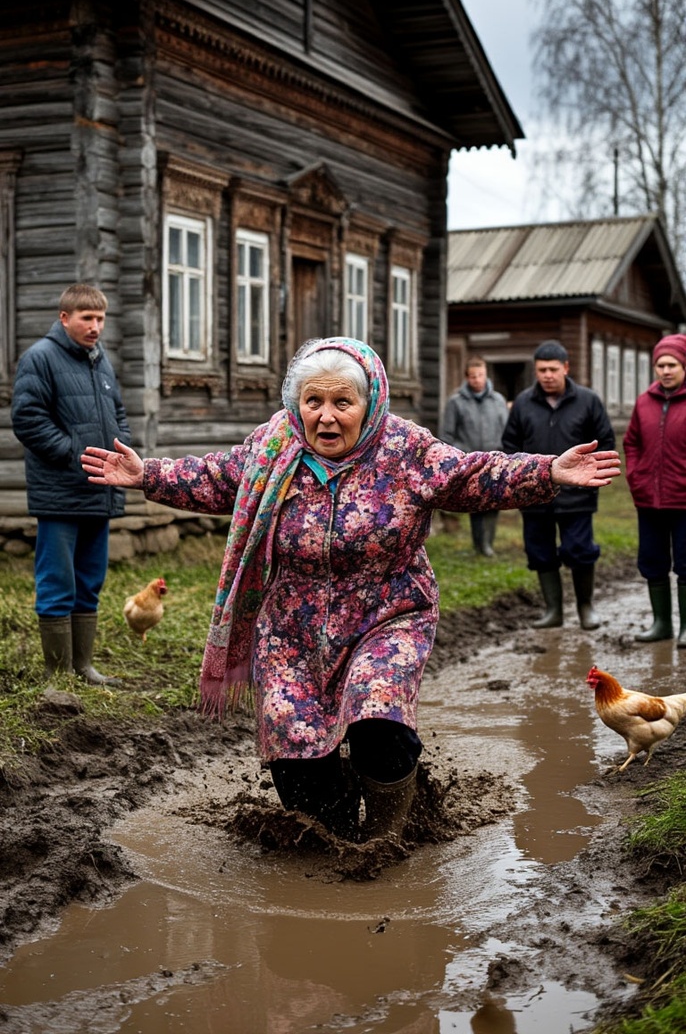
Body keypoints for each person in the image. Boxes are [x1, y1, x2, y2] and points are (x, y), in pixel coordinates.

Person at [81, 337, 620, 843]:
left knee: (377, 720)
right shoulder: (274, 445)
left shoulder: (403, 448)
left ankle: (386, 837)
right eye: (313, 401)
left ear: (369, 403)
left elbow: (470, 475)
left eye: (342, 401)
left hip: (387, 612)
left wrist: (548, 471)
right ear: (297, 403)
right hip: (291, 627)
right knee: (295, 752)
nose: (326, 415)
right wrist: (148, 475)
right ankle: (333, 837)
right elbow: (217, 478)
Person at [11, 283, 130, 684]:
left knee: (90, 580)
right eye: (86, 318)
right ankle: (57, 672)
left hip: (99, 488)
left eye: (100, 318)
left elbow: (118, 413)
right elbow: (28, 419)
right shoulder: (40, 358)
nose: (95, 326)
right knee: (57, 581)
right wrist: (75, 453)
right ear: (64, 318)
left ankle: (83, 667)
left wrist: (120, 447)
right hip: (60, 493)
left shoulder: (101, 360)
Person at [502, 339, 615, 631]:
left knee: (580, 550)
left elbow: (605, 440)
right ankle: (553, 610)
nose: (548, 375)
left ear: (566, 367)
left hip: (577, 495)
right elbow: (510, 445)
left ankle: (585, 607)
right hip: (534, 495)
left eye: (553, 369)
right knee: (540, 552)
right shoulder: (523, 403)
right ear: (535, 370)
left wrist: (591, 478)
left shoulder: (588, 401)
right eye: (542, 370)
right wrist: (521, 482)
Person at [624, 334, 686, 645]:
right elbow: (631, 443)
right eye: (660, 365)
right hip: (649, 500)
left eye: (672, 364)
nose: (666, 370)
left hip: (684, 501)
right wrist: (635, 476)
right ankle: (661, 624)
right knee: (652, 561)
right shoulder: (643, 402)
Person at [441, 356, 509, 556]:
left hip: (495, 461)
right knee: (476, 502)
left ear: (486, 375)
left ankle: (489, 542)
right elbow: (447, 435)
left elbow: (506, 431)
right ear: (467, 378)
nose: (477, 379)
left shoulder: (498, 401)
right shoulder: (456, 402)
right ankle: (479, 544)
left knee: (494, 501)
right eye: (473, 376)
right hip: (470, 462)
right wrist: (455, 459)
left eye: (480, 375)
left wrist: (507, 456)